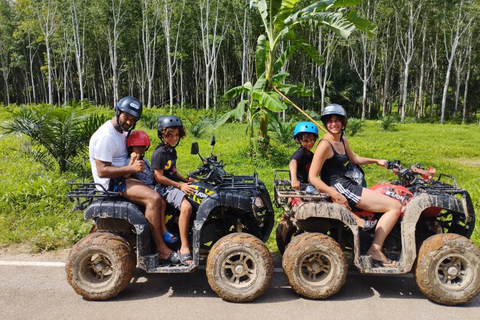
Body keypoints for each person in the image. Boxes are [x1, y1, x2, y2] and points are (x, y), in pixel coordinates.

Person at [308, 104, 402, 268]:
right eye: (329, 121)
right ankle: (375, 249)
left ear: (343, 122)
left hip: (348, 182)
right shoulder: (324, 145)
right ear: (325, 123)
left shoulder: (342, 139)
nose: (333, 124)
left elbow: (354, 159)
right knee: (394, 206)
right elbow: (312, 177)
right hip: (340, 187)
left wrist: (377, 161)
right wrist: (333, 193)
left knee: (388, 197)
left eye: (337, 120)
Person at [89, 96, 180, 264]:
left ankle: (163, 234)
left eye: (133, 119)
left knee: (159, 196)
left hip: (125, 177)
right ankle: (161, 250)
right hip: (112, 182)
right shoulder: (106, 136)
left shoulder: (121, 132)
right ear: (117, 111)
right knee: (153, 199)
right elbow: (102, 171)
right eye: (126, 117)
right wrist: (131, 168)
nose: (129, 122)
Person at [151, 116, 195, 265]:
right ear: (162, 134)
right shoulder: (159, 153)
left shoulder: (171, 151)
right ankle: (184, 247)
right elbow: (159, 177)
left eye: (177, 135)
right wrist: (180, 186)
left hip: (171, 184)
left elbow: (172, 171)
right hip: (163, 187)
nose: (174, 138)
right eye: (170, 134)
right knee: (187, 207)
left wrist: (184, 180)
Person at [125, 130, 178, 244]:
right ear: (131, 147)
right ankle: (163, 231)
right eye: (138, 147)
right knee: (162, 202)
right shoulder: (128, 161)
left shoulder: (144, 160)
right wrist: (132, 162)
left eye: (144, 147)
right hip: (145, 189)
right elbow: (126, 175)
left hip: (153, 185)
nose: (141, 149)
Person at [289, 122, 318, 190]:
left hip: (307, 184)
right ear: (299, 141)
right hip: (299, 185)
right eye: (305, 141)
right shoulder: (300, 152)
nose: (309, 143)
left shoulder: (311, 155)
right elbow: (293, 162)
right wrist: (294, 180)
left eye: (311, 140)